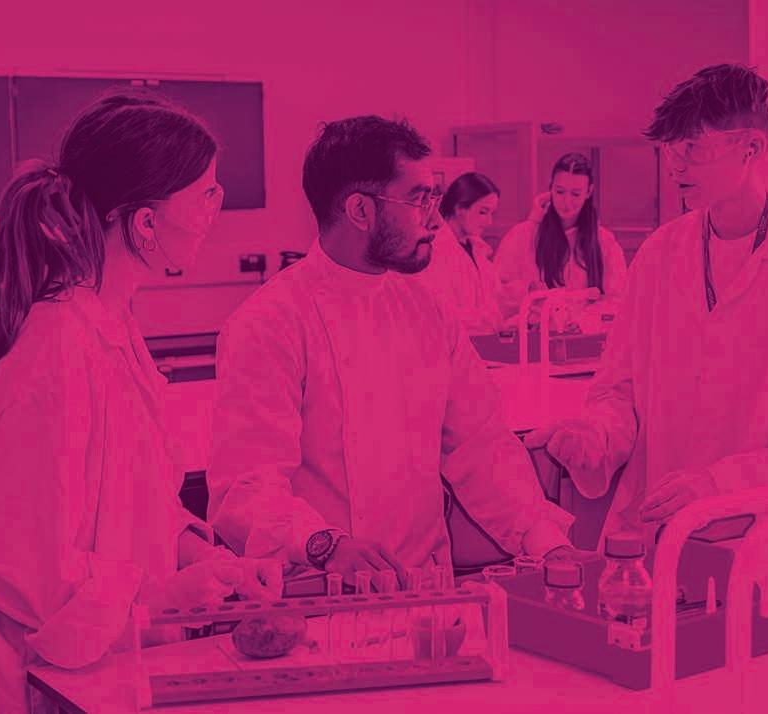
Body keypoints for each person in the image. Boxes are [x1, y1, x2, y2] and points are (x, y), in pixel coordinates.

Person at [0, 92, 280, 714]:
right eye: (205, 194)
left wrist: (211, 562)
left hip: (104, 672)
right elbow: (23, 566)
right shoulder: (55, 345)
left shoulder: (111, 327)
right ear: (145, 222)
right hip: (34, 685)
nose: (214, 211)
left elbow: (135, 507)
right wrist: (167, 596)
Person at [207, 116, 577, 587]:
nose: (435, 219)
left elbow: (482, 448)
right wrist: (325, 544)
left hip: (425, 589)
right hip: (317, 592)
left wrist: (546, 542)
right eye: (419, 200)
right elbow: (247, 487)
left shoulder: (428, 312)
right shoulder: (270, 322)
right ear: (361, 210)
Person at [525, 64, 768, 545]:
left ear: (752, 148)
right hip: (654, 535)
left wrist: (718, 486)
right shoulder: (659, 255)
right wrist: (597, 436)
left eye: (692, 147)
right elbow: (618, 394)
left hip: (765, 545)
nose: (675, 166)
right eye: (671, 148)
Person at [494, 153, 628, 322]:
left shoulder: (604, 241)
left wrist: (586, 318)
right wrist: (527, 290)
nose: (566, 201)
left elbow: (618, 298)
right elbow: (498, 292)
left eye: (575, 194)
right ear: (550, 187)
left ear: (589, 192)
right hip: (537, 334)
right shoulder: (523, 236)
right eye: (560, 192)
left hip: (586, 335)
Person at [415, 172, 506, 335]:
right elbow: (442, 318)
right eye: (483, 212)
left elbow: (496, 303)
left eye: (492, 213)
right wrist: (495, 317)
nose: (489, 222)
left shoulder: (479, 252)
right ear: (459, 209)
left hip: (482, 345)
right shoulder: (434, 251)